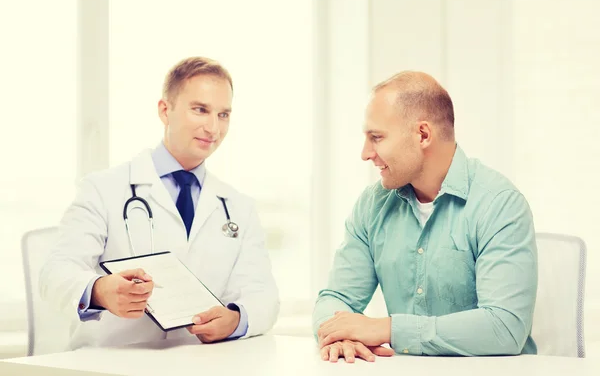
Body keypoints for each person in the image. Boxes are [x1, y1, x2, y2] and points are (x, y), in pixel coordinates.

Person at [40, 56, 279, 349]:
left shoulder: (238, 206)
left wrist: (235, 319)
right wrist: (100, 291)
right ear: (165, 110)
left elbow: (263, 294)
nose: (213, 128)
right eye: (200, 110)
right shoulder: (102, 189)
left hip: (199, 364)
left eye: (223, 114)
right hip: (111, 362)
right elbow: (55, 272)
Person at [313, 71, 537, 361]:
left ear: (423, 135)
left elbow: (504, 328)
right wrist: (337, 336)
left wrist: (388, 329)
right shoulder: (372, 205)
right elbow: (336, 298)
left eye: (376, 137)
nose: (365, 153)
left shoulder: (499, 204)